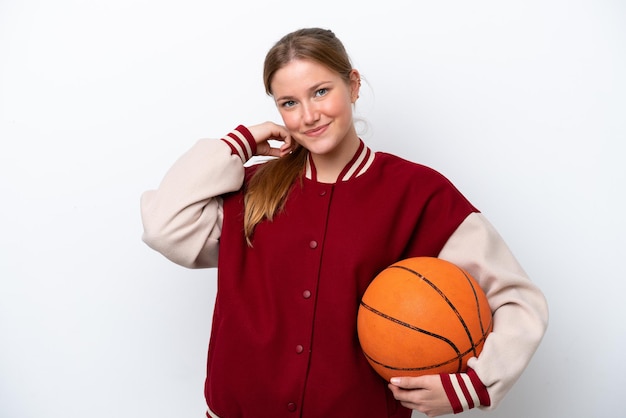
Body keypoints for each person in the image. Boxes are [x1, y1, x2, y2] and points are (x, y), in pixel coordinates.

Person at [140, 27, 548, 418]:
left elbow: (517, 298)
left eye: (320, 92)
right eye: (289, 103)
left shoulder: (418, 193)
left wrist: (473, 384)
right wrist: (239, 142)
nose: (309, 115)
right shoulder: (251, 190)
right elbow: (163, 226)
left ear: (352, 85)